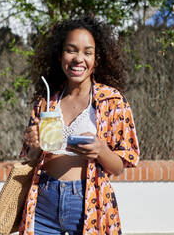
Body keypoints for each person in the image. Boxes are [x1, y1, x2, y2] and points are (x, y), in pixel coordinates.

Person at [19, 15, 140, 235]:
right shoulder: (46, 102)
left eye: (87, 52)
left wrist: (101, 150)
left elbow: (119, 167)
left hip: (88, 203)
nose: (78, 59)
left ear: (97, 59)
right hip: (43, 201)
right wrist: (34, 146)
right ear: (60, 55)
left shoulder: (112, 101)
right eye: (71, 50)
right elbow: (31, 159)